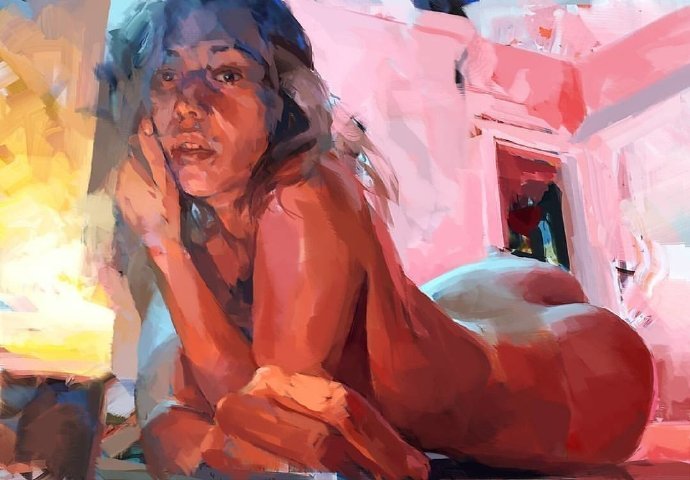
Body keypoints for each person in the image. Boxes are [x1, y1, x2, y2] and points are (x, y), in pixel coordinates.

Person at [100, 1, 655, 478]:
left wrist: (163, 246)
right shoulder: (175, 214)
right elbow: (169, 415)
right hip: (477, 302)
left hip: (587, 378)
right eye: (167, 77)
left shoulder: (302, 193)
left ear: (280, 99)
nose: (188, 105)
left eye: (226, 74)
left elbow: (263, 418)